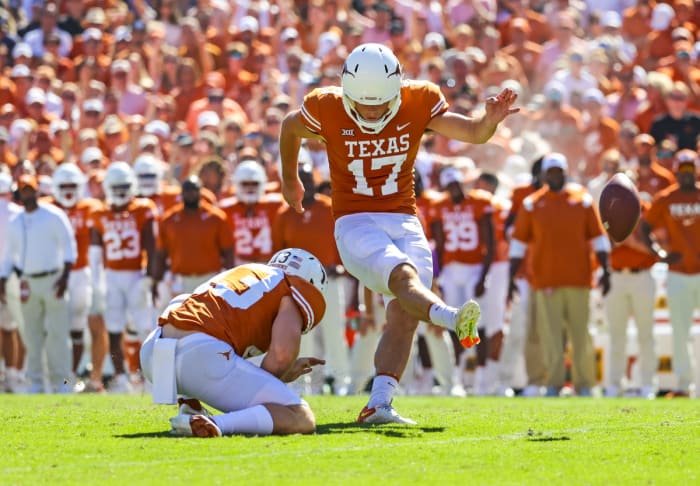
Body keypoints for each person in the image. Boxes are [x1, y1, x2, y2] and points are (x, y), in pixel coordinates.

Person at [279, 43, 518, 423]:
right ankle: (451, 318)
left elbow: (474, 133)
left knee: (405, 312)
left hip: (404, 217)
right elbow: (290, 127)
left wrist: (489, 120)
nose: (372, 111)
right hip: (355, 219)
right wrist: (289, 178)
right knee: (404, 276)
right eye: (363, 104)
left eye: (380, 103)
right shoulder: (326, 105)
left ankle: (379, 403)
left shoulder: (418, 100)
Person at [140, 248, 327, 437]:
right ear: (311, 281)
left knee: (200, 321)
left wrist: (278, 376)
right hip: (198, 356)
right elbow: (281, 356)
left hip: (154, 353)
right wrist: (278, 376)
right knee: (301, 417)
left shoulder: (250, 273)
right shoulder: (290, 288)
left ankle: (190, 404)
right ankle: (214, 424)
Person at [508, 153, 611, 397]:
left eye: (559, 172)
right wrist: (511, 277)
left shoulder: (582, 200)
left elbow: (598, 238)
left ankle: (584, 384)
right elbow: (518, 245)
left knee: (581, 335)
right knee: (550, 336)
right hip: (545, 280)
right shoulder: (532, 203)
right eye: (551, 172)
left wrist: (606, 270)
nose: (555, 176)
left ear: (565, 173)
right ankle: (553, 384)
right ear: (543, 175)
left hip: (579, 279)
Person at [272, 161, 351, 395]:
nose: (305, 185)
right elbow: (278, 253)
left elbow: (344, 240)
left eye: (308, 180)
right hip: (298, 286)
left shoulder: (329, 207)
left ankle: (340, 381)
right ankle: (305, 384)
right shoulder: (284, 214)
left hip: (328, 280)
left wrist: (342, 266)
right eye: (301, 180)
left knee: (334, 331)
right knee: (302, 335)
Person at [0, 174, 77, 393]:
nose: (27, 194)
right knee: (31, 335)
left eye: (30, 190)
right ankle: (36, 382)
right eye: (23, 190)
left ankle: (62, 382)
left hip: (53, 279)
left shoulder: (53, 215)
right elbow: (9, 255)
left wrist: (65, 277)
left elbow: (69, 246)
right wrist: (3, 278)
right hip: (27, 280)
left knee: (58, 334)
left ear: (36, 191)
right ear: (19, 193)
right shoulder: (16, 221)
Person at [88, 162, 158, 393]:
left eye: (124, 187)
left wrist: (149, 279)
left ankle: (149, 377)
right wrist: (97, 285)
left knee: (145, 327)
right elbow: (94, 255)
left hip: (136, 274)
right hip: (112, 276)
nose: (120, 192)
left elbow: (152, 247)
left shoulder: (143, 209)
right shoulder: (98, 213)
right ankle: (120, 377)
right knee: (114, 329)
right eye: (116, 187)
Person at [430, 166, 496, 396]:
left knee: (480, 323)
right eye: (450, 186)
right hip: (451, 271)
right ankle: (457, 377)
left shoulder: (479, 202)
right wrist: (438, 276)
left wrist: (484, 275)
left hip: (474, 268)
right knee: (455, 323)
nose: (455, 189)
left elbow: (490, 241)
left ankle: (482, 380)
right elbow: (438, 243)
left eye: (457, 184)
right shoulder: (439, 206)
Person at [641, 149, 700, 398]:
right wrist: (660, 254)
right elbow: (644, 228)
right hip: (677, 273)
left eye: (690, 169)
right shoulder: (666, 198)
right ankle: (684, 384)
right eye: (682, 169)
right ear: (675, 171)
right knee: (680, 331)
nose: (686, 174)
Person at [48, 163, 106, 393]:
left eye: (72, 185)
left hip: (81, 273)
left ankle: (71, 376)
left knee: (77, 328)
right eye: (63, 186)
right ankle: (54, 376)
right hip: (54, 273)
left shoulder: (91, 207)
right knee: (52, 328)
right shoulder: (47, 207)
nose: (68, 190)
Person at [153, 175, 234, 295]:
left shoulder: (216, 217)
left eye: (194, 190)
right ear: (182, 193)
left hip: (209, 278)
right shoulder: (169, 219)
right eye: (187, 191)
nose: (191, 194)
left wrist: (230, 279)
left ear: (200, 192)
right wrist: (156, 280)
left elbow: (228, 250)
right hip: (180, 279)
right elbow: (161, 253)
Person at [0, 171, 23, 392]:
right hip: (12, 275)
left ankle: (10, 375)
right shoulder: (18, 212)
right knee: (11, 328)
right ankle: (13, 375)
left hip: (9, 275)